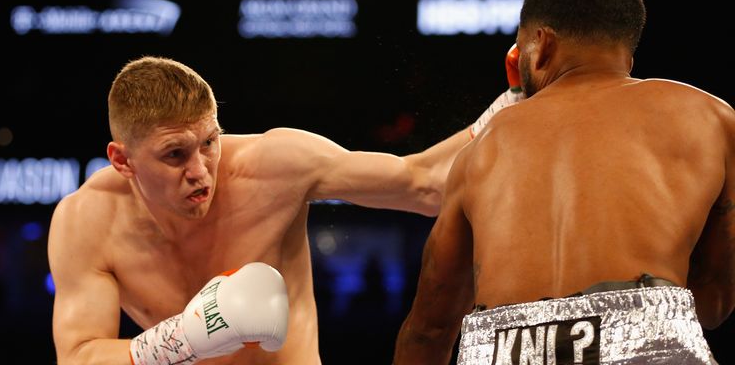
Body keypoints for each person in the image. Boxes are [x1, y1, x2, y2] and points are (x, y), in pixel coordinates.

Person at [47, 50, 524, 364]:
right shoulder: (85, 220)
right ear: (122, 159)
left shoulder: (275, 165)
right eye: (175, 154)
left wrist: (514, 101)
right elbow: (78, 355)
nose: (200, 170)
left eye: (209, 142)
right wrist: (184, 338)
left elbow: (424, 184)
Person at [393, 0, 734, 365]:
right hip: (647, 334)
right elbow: (713, 303)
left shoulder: (483, 147)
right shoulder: (709, 116)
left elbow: (430, 329)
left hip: (502, 347)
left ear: (542, 43)